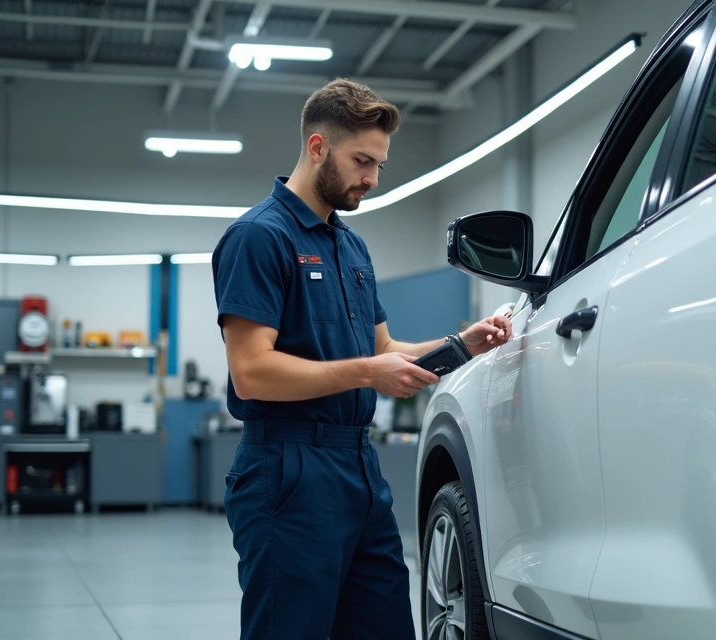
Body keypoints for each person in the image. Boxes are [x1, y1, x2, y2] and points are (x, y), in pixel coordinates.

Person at [211, 78, 514, 640]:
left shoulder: (350, 247)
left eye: (379, 164)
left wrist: (461, 344)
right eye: (362, 161)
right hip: (288, 469)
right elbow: (251, 373)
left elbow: (382, 350)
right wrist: (368, 374)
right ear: (318, 147)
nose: (373, 178)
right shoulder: (258, 238)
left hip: (359, 471)